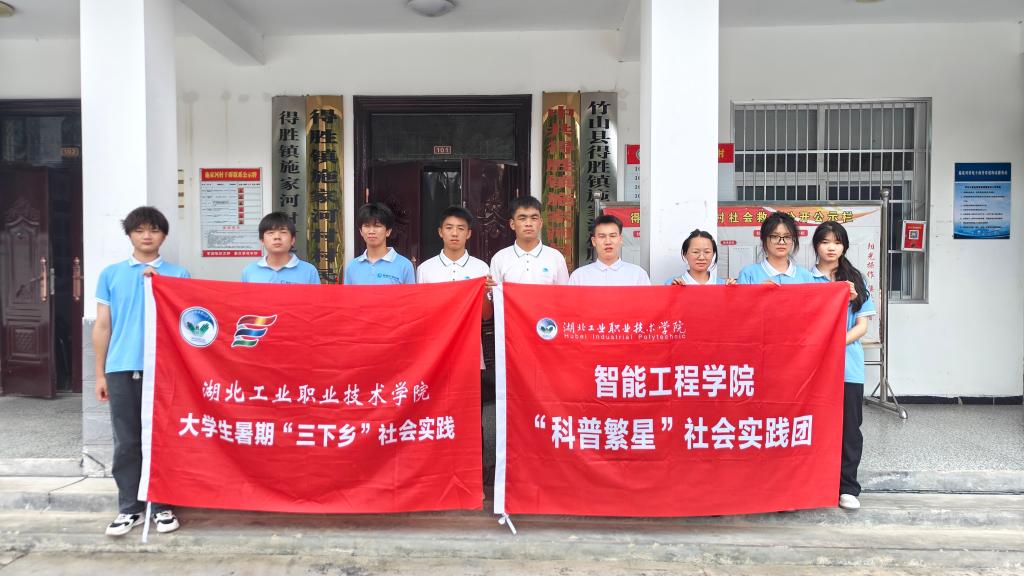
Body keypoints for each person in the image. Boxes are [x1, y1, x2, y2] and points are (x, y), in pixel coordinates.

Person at [92, 206, 189, 537]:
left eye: (154, 230)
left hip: (164, 370)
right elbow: (102, 326)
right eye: (140, 230)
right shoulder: (111, 274)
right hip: (121, 367)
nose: (147, 236)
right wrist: (100, 373)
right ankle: (129, 507)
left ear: (164, 236)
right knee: (127, 440)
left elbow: (188, 324)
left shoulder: (178, 274)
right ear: (130, 235)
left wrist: (162, 287)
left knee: (163, 439)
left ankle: (162, 506)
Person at [416, 205, 495, 483]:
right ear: (440, 232)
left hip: (470, 353)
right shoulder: (425, 269)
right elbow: (421, 312)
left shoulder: (480, 268)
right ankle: (435, 471)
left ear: (469, 234)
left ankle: (472, 473)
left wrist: (484, 294)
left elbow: (486, 316)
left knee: (470, 415)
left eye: (461, 229)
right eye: (449, 228)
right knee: (436, 412)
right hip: (436, 354)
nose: (454, 233)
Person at [812, 221, 876, 511]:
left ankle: (848, 487)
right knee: (815, 427)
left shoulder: (855, 279)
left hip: (848, 367)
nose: (831, 247)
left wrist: (833, 342)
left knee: (849, 428)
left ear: (844, 247)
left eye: (837, 242)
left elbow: (862, 326)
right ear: (816, 245)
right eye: (825, 241)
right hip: (814, 368)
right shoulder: (806, 279)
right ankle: (817, 485)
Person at [489, 196, 569, 285]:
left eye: (534, 218)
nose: (528, 224)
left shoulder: (556, 257)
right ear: (512, 224)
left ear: (540, 223)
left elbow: (564, 292)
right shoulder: (500, 258)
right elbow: (495, 292)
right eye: (522, 218)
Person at [568, 214, 650, 286]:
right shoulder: (579, 277)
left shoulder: (638, 275)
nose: (608, 242)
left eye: (613, 236)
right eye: (602, 236)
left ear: (620, 239)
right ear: (594, 241)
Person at [344, 202, 415, 285]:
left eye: (377, 226)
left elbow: (410, 294)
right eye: (367, 226)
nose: (371, 231)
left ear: (388, 231)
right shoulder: (352, 267)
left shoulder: (405, 266)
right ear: (361, 231)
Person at [241, 212, 320, 284]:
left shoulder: (309, 271)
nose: (277, 237)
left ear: (292, 240)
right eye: (271, 232)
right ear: (262, 240)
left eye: (283, 232)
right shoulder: (249, 271)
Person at [737, 211, 815, 284]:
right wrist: (759, 291)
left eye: (787, 237)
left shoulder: (806, 276)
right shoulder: (748, 275)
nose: (781, 242)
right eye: (774, 236)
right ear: (764, 239)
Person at [666, 229, 734, 285]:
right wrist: (675, 291)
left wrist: (733, 292)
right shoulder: (672, 284)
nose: (701, 257)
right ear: (685, 254)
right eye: (695, 252)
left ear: (713, 254)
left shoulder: (723, 285)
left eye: (707, 252)